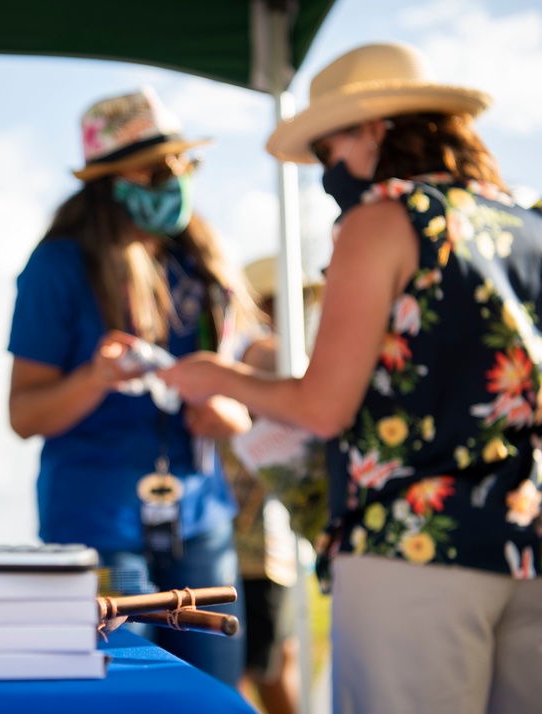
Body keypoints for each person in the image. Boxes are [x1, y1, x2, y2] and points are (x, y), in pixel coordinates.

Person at [159, 42, 542, 712]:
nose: (325, 170)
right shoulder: (540, 227)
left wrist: (217, 376)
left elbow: (322, 407)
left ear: (375, 128)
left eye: (327, 149)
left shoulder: (380, 222)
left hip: (415, 548)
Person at [7, 86, 264, 688]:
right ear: (106, 181)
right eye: (154, 166)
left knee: (216, 697)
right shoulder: (56, 268)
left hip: (203, 518)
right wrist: (95, 377)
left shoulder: (201, 263)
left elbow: (247, 378)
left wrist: (232, 412)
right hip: (97, 524)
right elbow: (24, 414)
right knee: (124, 696)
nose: (173, 178)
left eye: (182, 162)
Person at [224, 256, 325, 714]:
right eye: (296, 300)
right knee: (254, 669)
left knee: (272, 662)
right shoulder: (262, 352)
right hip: (250, 546)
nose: (304, 310)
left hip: (271, 544)